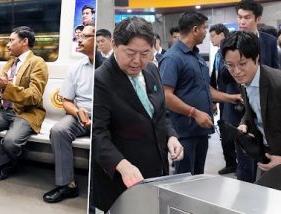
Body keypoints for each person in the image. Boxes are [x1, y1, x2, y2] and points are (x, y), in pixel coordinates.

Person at [92, 17, 184, 212]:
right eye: (130, 53)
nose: (137, 61)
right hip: (122, 177)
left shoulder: (151, 69)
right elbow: (98, 134)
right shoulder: (101, 79)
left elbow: (160, 114)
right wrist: (122, 165)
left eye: (144, 53)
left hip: (156, 171)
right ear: (115, 45)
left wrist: (171, 136)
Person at [159, 11, 242, 175]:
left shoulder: (196, 56)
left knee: (197, 177)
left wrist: (231, 98)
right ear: (195, 29)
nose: (207, 33)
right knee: (184, 178)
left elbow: (205, 89)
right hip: (184, 132)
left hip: (200, 129)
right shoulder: (173, 58)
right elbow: (166, 96)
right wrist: (194, 113)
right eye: (205, 28)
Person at [0, 26, 48, 181]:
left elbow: (34, 96)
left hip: (26, 112)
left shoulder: (37, 63)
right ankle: (6, 163)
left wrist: (6, 87)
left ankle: (9, 159)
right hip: (4, 109)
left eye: (12, 40)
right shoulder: (10, 63)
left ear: (25, 41)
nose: (7, 45)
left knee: (10, 142)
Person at [43, 25, 94, 203]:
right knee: (58, 130)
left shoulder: (113, 66)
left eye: (85, 36)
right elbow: (66, 102)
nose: (79, 39)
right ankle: (67, 185)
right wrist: (78, 112)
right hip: (80, 115)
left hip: (106, 116)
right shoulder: (76, 68)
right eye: (78, 36)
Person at [221, 31, 281, 175]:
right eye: (230, 65)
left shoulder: (277, 84)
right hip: (267, 156)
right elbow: (253, 109)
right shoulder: (245, 82)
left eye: (242, 64)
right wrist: (245, 123)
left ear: (257, 58)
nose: (236, 71)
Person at [209, 24, 239, 175]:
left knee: (233, 130)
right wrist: (213, 101)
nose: (210, 39)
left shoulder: (231, 52)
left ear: (222, 35)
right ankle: (231, 162)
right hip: (222, 98)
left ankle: (236, 162)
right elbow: (214, 78)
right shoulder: (217, 55)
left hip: (234, 97)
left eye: (213, 35)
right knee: (224, 130)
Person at [236, 0, 279, 69]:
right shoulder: (230, 41)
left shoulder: (270, 41)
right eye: (240, 17)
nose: (242, 22)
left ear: (258, 19)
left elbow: (275, 70)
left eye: (247, 18)